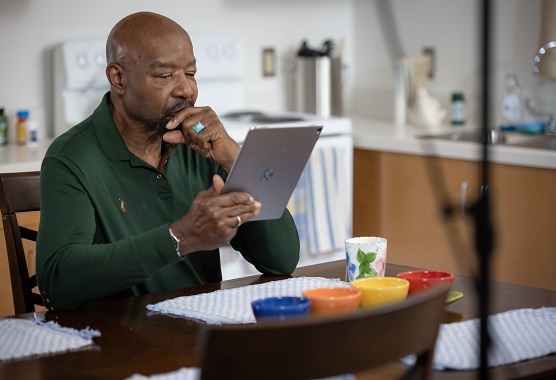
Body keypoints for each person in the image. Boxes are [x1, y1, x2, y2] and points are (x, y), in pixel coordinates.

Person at [36, 11, 300, 311]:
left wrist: (234, 159)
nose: (186, 89)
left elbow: (282, 260)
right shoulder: (72, 156)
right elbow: (57, 285)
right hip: (120, 343)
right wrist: (181, 236)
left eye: (190, 73)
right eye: (164, 75)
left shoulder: (201, 145)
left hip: (204, 330)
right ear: (118, 78)